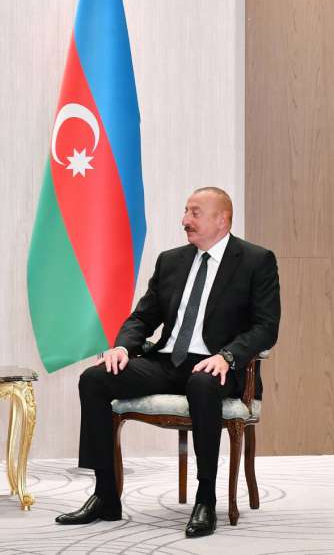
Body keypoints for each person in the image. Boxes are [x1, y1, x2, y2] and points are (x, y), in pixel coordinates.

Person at [55, 187, 280, 538]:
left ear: (222, 219)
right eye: (185, 211)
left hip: (218, 366)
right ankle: (105, 495)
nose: (184, 220)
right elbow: (142, 318)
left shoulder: (256, 260)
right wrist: (123, 348)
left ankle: (205, 500)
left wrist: (228, 355)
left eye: (194, 213)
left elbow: (266, 327)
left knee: (202, 383)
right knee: (95, 379)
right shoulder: (171, 261)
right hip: (167, 361)